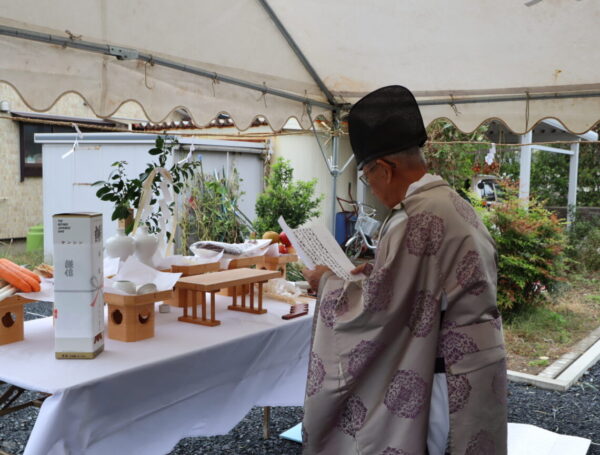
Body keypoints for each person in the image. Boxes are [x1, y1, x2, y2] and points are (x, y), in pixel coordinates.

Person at [302, 86, 507, 455]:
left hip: (442, 376)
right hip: (477, 365)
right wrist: (373, 271)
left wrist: (327, 283)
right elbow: (421, 285)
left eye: (367, 177)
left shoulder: (414, 218)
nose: (371, 188)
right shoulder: (452, 204)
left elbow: (377, 311)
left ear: (384, 168)